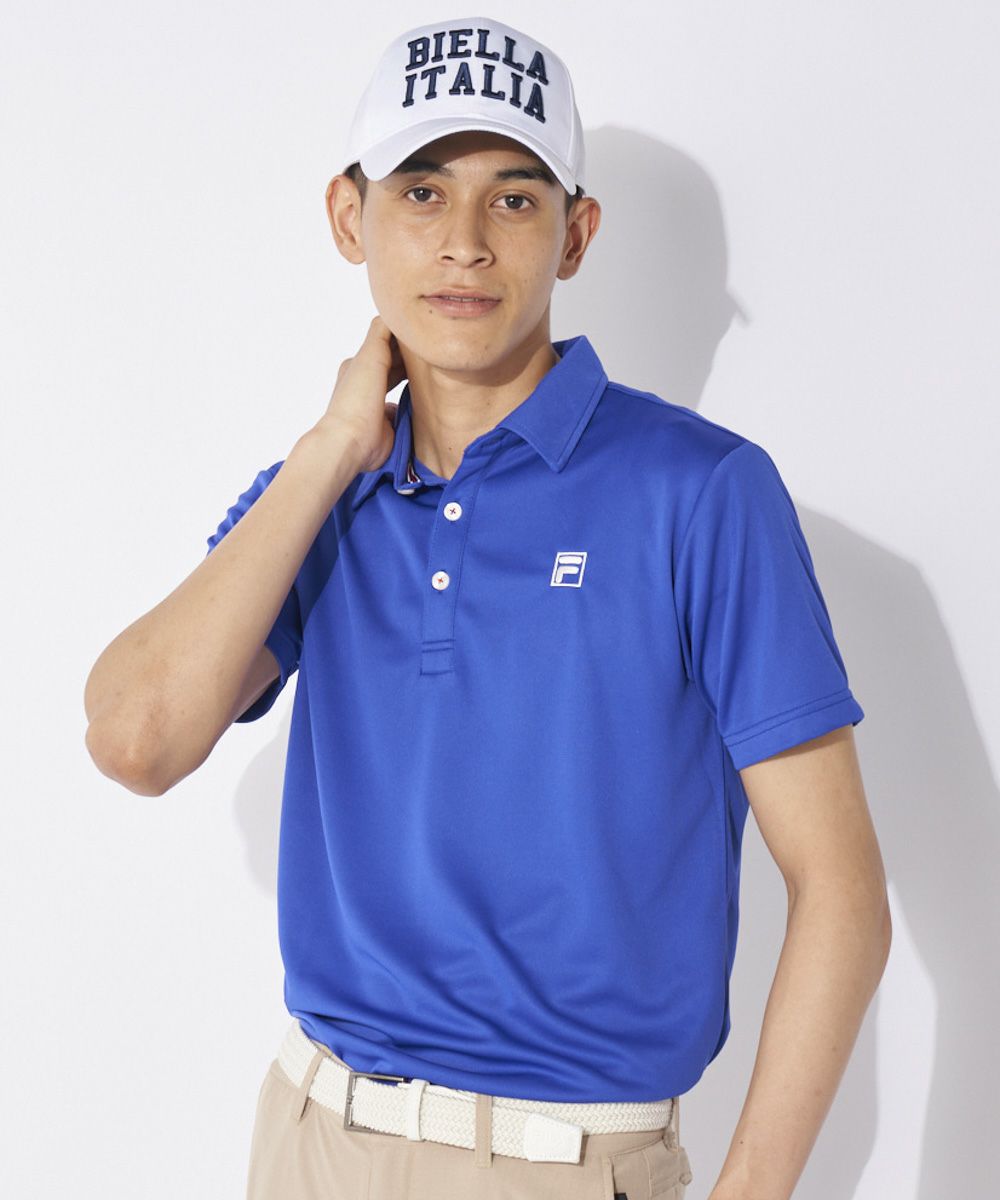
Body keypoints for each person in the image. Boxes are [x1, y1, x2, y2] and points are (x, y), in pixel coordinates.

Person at [82, 14, 891, 1200]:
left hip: (560, 1163)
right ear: (349, 217)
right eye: (421, 193)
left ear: (576, 235)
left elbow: (840, 888)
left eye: (513, 199)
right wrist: (329, 450)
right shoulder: (319, 494)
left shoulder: (701, 492)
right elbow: (134, 741)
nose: (462, 241)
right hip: (309, 1139)